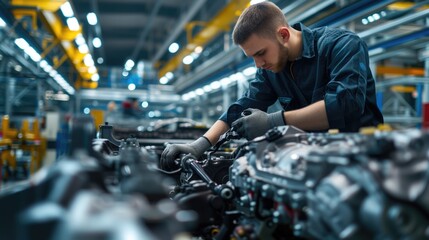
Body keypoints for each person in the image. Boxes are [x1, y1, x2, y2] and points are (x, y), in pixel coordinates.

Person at [160, 1, 384, 170]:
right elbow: (241, 107)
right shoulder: (271, 70)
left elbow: (344, 105)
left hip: (361, 161)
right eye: (252, 58)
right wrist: (199, 145)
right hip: (308, 160)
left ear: (283, 35)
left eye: (260, 53)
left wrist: (274, 121)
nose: (259, 64)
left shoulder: (342, 45)